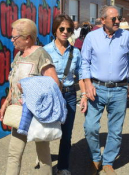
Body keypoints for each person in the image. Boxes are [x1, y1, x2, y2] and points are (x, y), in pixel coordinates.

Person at [80, 5, 129, 175]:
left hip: (120, 89)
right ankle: (95, 158)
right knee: (90, 126)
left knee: (115, 129)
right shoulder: (91, 37)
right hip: (96, 88)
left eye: (119, 18)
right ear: (103, 20)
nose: (117, 21)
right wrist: (87, 84)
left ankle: (108, 162)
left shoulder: (126, 36)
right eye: (113, 19)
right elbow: (84, 63)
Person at [0, 18, 60, 175]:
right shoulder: (19, 55)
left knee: (43, 155)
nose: (11, 40)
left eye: (14, 37)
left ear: (27, 38)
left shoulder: (41, 55)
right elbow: (14, 84)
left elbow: (54, 84)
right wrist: (5, 104)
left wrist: (30, 87)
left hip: (36, 114)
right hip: (19, 113)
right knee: (14, 153)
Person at [43, 14, 85, 175]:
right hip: (51, 97)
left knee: (66, 134)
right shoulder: (45, 51)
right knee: (46, 132)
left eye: (69, 29)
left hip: (69, 95)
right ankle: (44, 161)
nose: (65, 32)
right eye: (62, 28)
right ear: (55, 30)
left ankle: (63, 166)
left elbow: (80, 76)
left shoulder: (76, 52)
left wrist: (85, 95)